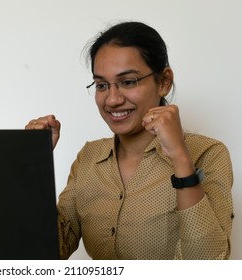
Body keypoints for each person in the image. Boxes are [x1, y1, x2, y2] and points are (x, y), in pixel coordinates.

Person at [25, 21, 233, 260]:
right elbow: (50, 254)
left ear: (164, 82)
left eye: (128, 82)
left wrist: (181, 158)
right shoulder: (88, 158)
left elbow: (208, 267)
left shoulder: (209, 153)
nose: (112, 100)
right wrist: (33, 167)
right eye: (102, 85)